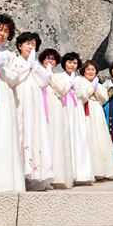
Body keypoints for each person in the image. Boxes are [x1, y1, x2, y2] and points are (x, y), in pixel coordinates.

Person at [0, 14, 26, 192]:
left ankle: (3, 181)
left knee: (2, 133)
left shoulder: (9, 56)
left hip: (3, 94)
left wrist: (1, 70)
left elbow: (15, 77)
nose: (2, 33)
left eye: (6, 31)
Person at [12, 32, 54, 190]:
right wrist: (27, 65)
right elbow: (14, 76)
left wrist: (34, 65)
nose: (30, 46)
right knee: (21, 132)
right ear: (19, 46)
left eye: (33, 44)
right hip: (20, 101)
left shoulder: (36, 64)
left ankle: (35, 176)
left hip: (35, 105)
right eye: (27, 43)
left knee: (35, 133)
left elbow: (44, 81)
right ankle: (19, 175)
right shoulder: (15, 61)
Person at [51, 52, 94, 184]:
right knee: (65, 137)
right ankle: (66, 173)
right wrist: (68, 85)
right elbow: (57, 92)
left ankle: (80, 173)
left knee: (78, 138)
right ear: (64, 63)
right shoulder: (58, 76)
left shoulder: (80, 79)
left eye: (74, 63)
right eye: (69, 62)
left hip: (77, 110)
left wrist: (77, 88)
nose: (72, 65)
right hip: (64, 108)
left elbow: (85, 97)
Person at [38, 48, 74, 188]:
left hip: (56, 110)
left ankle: (56, 176)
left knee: (55, 140)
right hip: (41, 107)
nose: (49, 61)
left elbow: (62, 90)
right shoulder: (37, 71)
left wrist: (50, 76)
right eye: (47, 58)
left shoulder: (58, 76)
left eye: (52, 59)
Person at [78, 60, 113, 180]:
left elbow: (104, 99)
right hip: (85, 110)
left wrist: (96, 87)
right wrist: (92, 87)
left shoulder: (99, 85)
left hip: (97, 110)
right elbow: (82, 96)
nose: (91, 72)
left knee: (100, 137)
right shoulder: (80, 82)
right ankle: (89, 170)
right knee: (88, 136)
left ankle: (103, 170)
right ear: (84, 71)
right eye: (88, 69)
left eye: (93, 69)